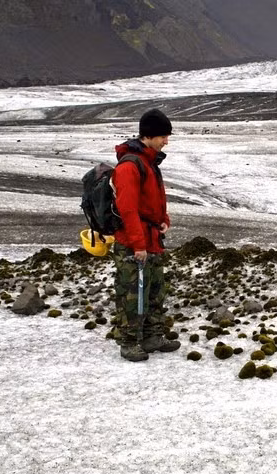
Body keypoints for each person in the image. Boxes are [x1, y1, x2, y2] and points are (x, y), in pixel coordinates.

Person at [110, 109, 180, 362]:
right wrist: (138, 245)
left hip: (152, 238)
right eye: (163, 136)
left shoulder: (149, 161)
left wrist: (164, 220)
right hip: (134, 242)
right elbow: (127, 210)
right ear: (148, 136)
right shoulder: (130, 166)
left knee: (154, 290)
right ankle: (128, 342)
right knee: (132, 293)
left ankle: (152, 336)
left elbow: (154, 200)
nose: (166, 141)